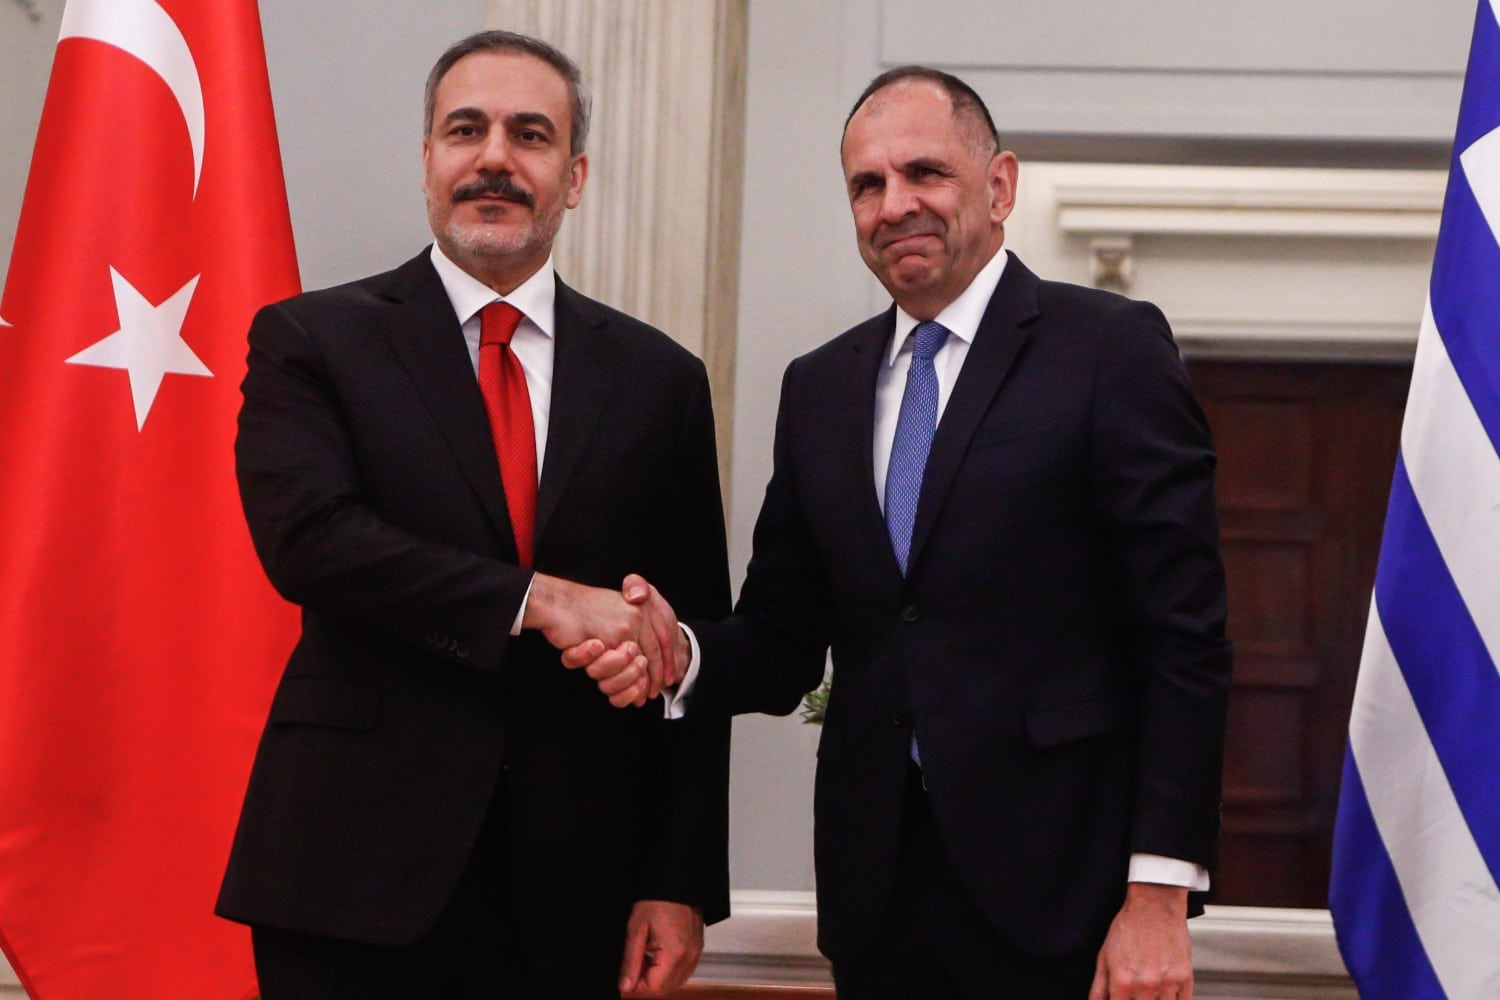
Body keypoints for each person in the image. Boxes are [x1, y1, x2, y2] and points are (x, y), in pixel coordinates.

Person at [572, 66, 1232, 999]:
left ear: (999, 185)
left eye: (925, 172)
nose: (894, 206)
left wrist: (1158, 893)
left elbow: (1183, 637)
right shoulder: (820, 387)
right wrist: (677, 651)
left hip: (1067, 902)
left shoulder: (1108, 350)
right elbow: (781, 638)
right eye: (866, 184)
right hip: (878, 901)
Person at [215, 30, 730, 1000]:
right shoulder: (312, 340)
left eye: (530, 135)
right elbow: (311, 542)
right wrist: (543, 599)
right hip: (350, 877)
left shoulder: (660, 379)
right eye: (466, 130)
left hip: (577, 890)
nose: (495, 157)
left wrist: (680, 879)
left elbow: (687, 641)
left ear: (574, 176)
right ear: (428, 161)